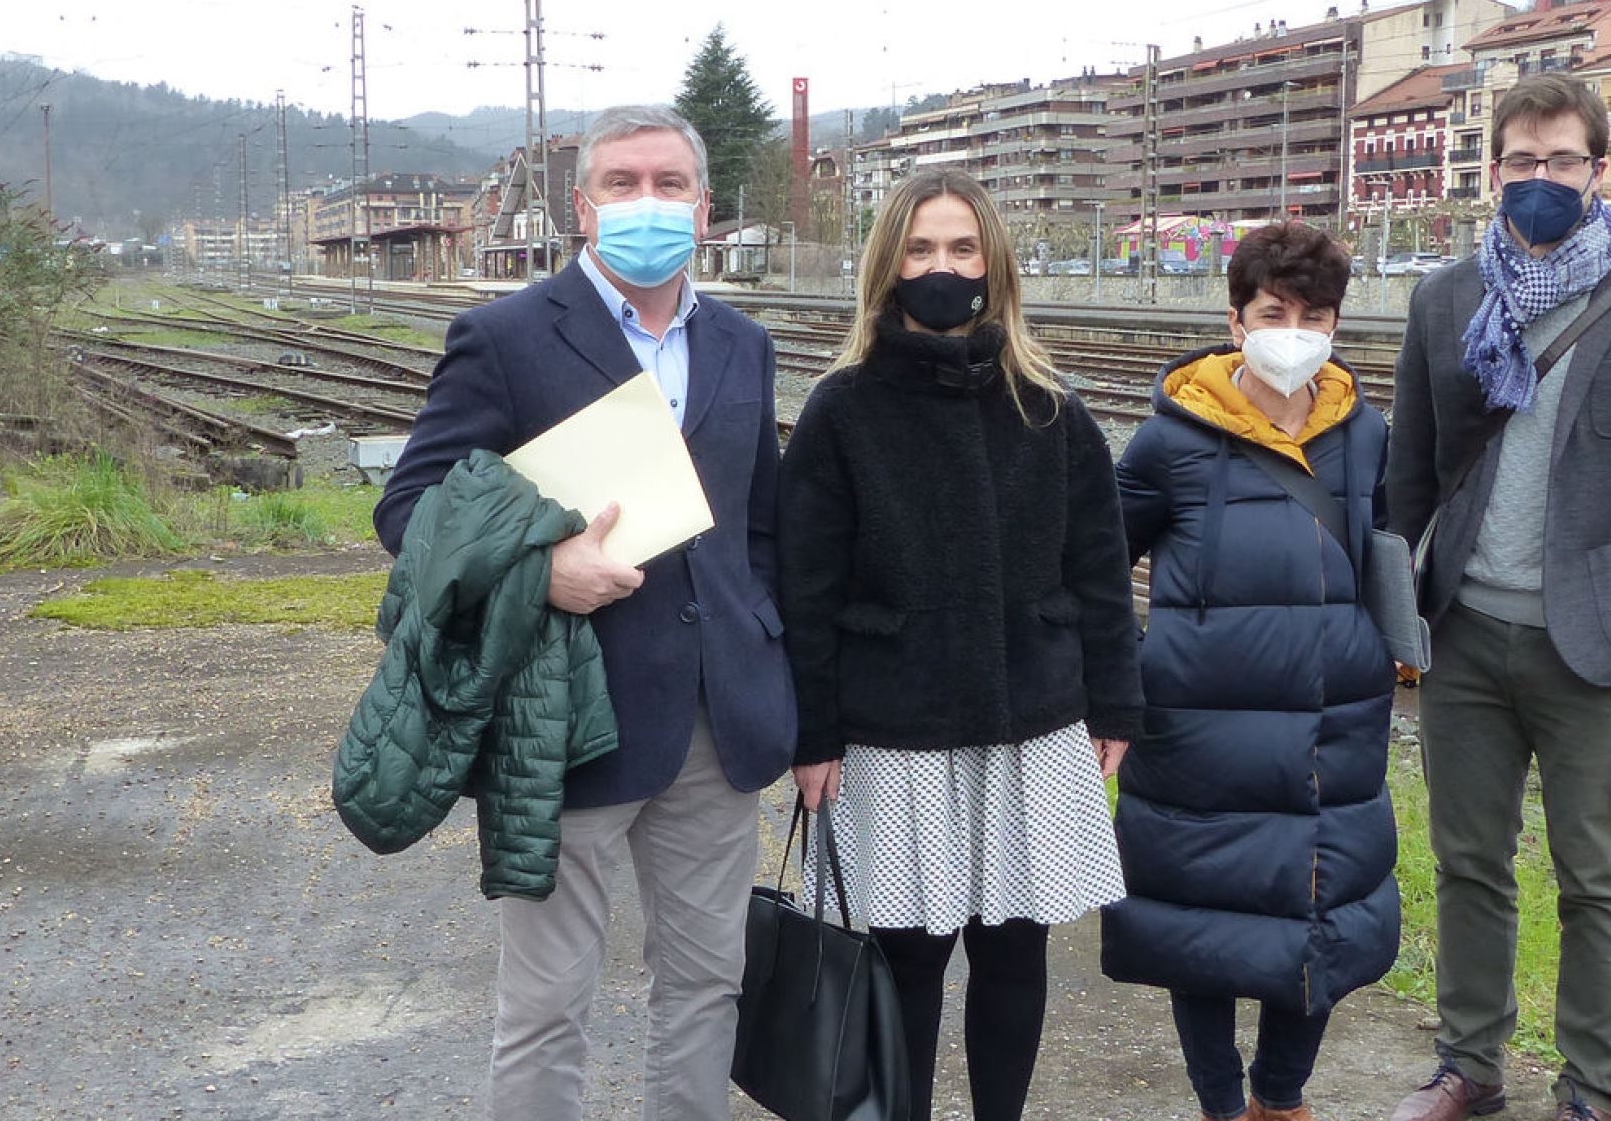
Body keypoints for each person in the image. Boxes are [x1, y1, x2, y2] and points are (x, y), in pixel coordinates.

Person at [372, 104, 796, 1121]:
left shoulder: (743, 343)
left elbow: (762, 528)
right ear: (582, 204)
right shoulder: (507, 336)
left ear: (703, 206)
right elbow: (409, 510)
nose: (645, 202)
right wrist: (540, 564)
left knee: (706, 983)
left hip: (715, 721)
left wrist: (771, 661)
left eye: (668, 183)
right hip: (564, 718)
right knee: (550, 999)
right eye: (621, 182)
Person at [1384, 73, 1611, 1121]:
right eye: (1523, 161)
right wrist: (1399, 610)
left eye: (1563, 160)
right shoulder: (1445, 298)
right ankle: (1470, 1065)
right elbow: (1409, 471)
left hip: (1596, 648)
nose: (1542, 179)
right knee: (1469, 863)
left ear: (1598, 170)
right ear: (1492, 171)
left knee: (1600, 877)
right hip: (1468, 636)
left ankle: (1592, 1089)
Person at [778, 167, 1142, 1121]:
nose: (944, 267)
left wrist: (1115, 701)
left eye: (963, 248)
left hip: (1034, 717)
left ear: (995, 264)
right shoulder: (841, 411)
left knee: (1015, 947)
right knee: (908, 953)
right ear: (889, 265)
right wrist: (811, 736)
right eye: (923, 248)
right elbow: (806, 593)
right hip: (892, 727)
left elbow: (1100, 569)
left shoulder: (1049, 407)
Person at [1100, 221, 1401, 1121]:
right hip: (1199, 722)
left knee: (1321, 909)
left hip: (1330, 722)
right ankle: (1220, 1103)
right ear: (1236, 321)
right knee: (1201, 919)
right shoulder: (1171, 440)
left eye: (1315, 315)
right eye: (1275, 312)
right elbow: (1098, 566)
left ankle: (1282, 1096)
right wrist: (1116, 684)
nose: (1294, 330)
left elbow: (1378, 553)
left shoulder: (1364, 432)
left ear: (1338, 325)